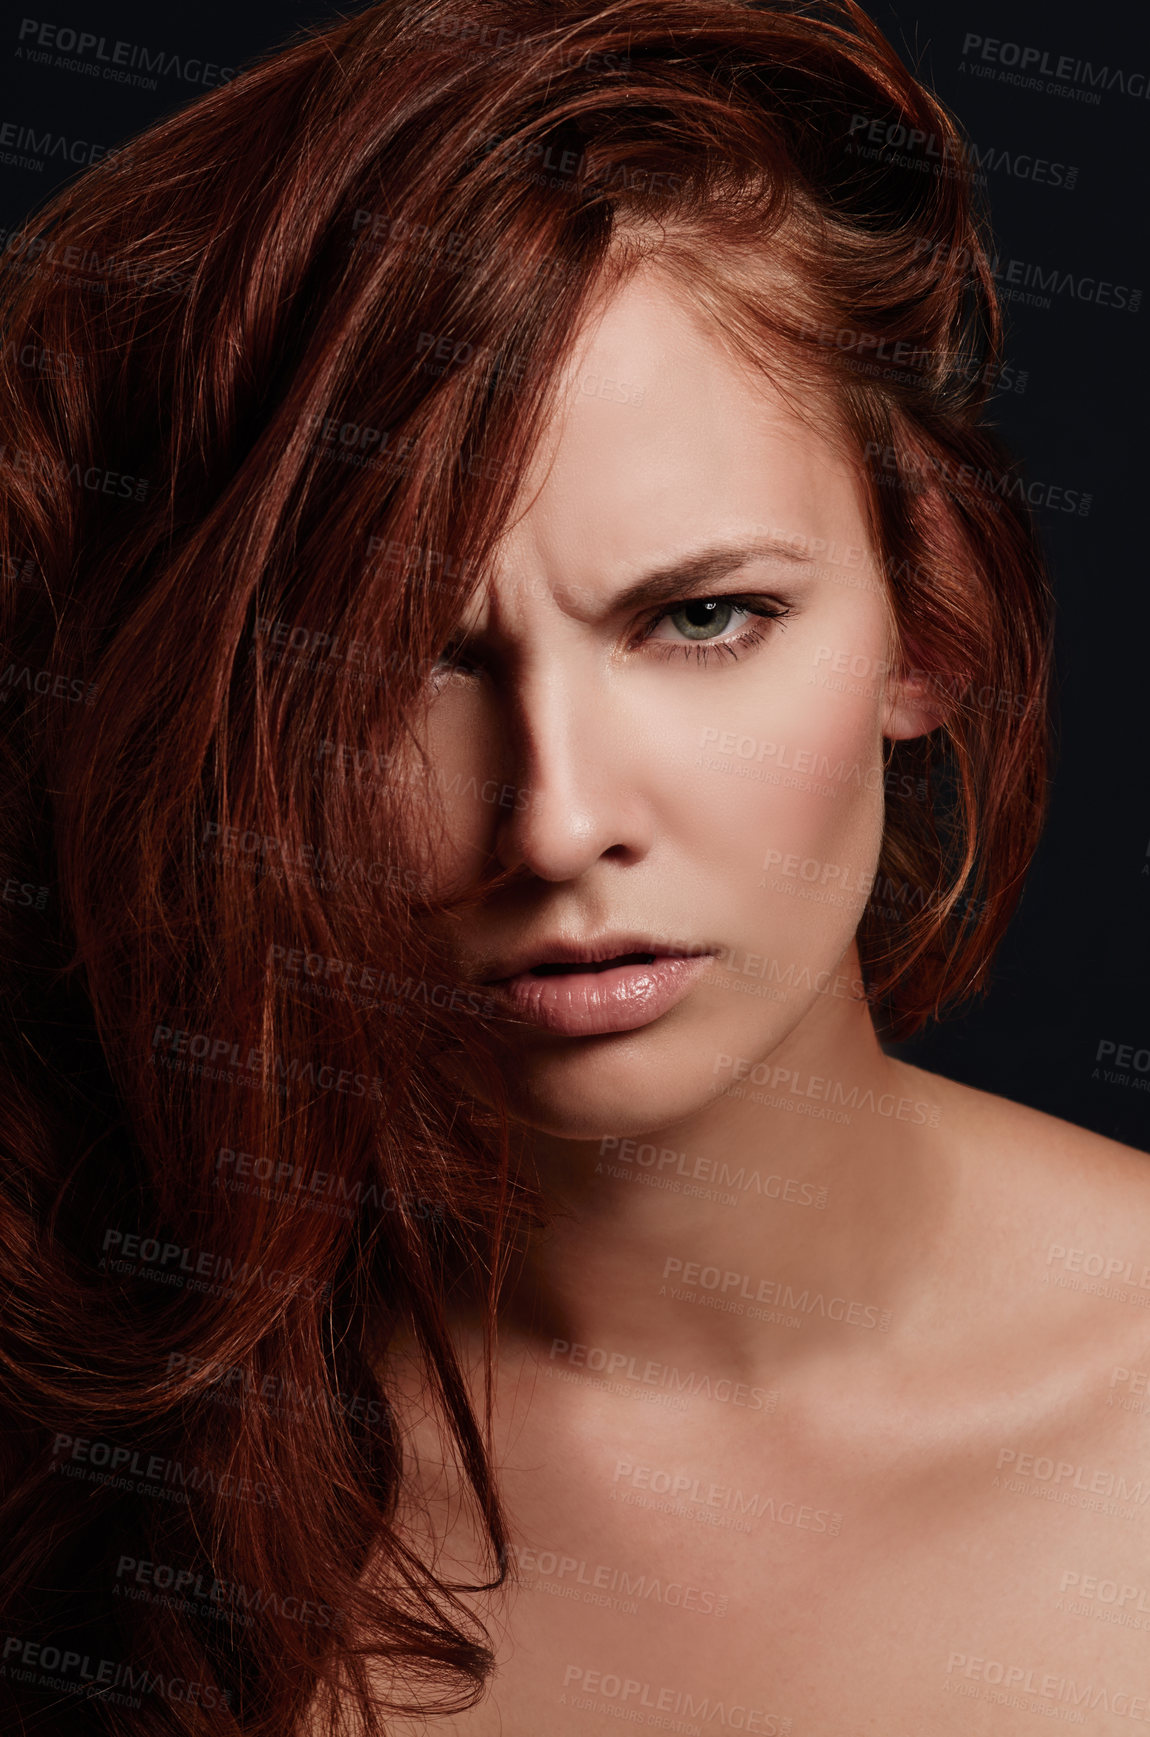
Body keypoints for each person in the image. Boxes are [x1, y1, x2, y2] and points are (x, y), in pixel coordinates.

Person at [0, 1, 1145, 1733]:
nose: (551, 821)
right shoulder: (92, 1444)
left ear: (936, 617)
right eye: (393, 664)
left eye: (702, 617)